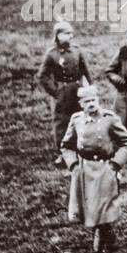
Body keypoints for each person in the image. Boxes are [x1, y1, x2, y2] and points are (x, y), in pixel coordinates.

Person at [59, 84, 127, 253]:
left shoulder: (109, 119)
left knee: (99, 213)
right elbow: (66, 145)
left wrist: (116, 164)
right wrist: (73, 165)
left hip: (105, 170)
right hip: (84, 172)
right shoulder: (76, 120)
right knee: (93, 212)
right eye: (87, 102)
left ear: (98, 100)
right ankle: (109, 237)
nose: (91, 104)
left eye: (93, 100)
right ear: (81, 104)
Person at [38, 21, 90, 160]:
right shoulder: (52, 54)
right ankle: (63, 152)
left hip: (78, 91)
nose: (71, 36)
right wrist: (56, 92)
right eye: (67, 33)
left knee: (80, 118)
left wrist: (89, 88)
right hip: (62, 93)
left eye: (71, 33)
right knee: (62, 122)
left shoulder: (76, 50)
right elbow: (43, 76)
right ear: (58, 35)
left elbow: (85, 70)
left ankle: (81, 149)